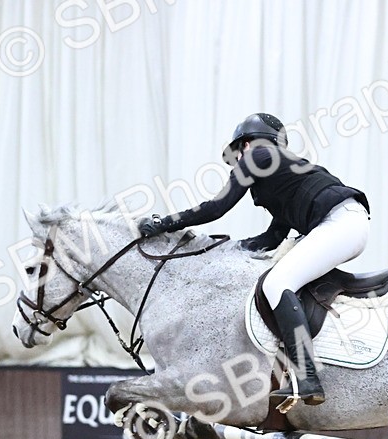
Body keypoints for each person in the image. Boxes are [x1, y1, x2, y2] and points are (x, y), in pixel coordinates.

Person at [137, 113, 369, 406]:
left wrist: (165, 223)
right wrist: (227, 249)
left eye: (239, 152)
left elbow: (216, 207)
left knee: (277, 284)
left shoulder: (257, 155)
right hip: (346, 222)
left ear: (247, 143)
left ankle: (307, 377)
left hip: (340, 224)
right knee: (280, 278)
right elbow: (271, 238)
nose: (238, 161)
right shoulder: (284, 177)